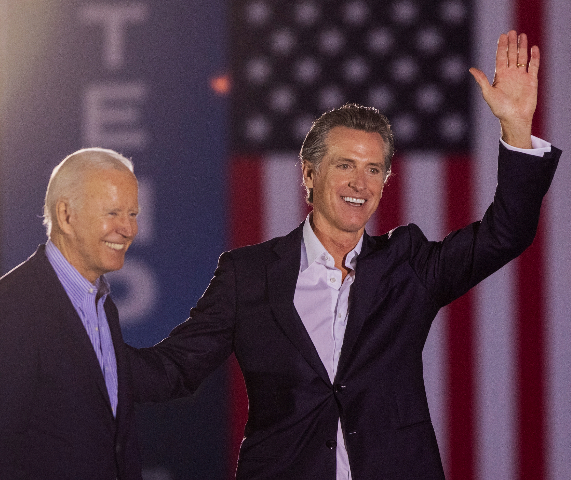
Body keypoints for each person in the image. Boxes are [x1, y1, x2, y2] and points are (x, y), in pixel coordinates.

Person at [130, 31, 561, 479]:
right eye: (345, 165)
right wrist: (86, 351)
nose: (361, 183)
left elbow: (506, 233)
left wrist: (515, 126)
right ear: (310, 174)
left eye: (373, 169)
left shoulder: (407, 265)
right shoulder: (248, 275)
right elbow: (175, 368)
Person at [0, 148, 166, 479]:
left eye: (132, 214)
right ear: (66, 215)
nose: (128, 229)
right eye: (113, 212)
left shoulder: (102, 304)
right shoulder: (12, 308)